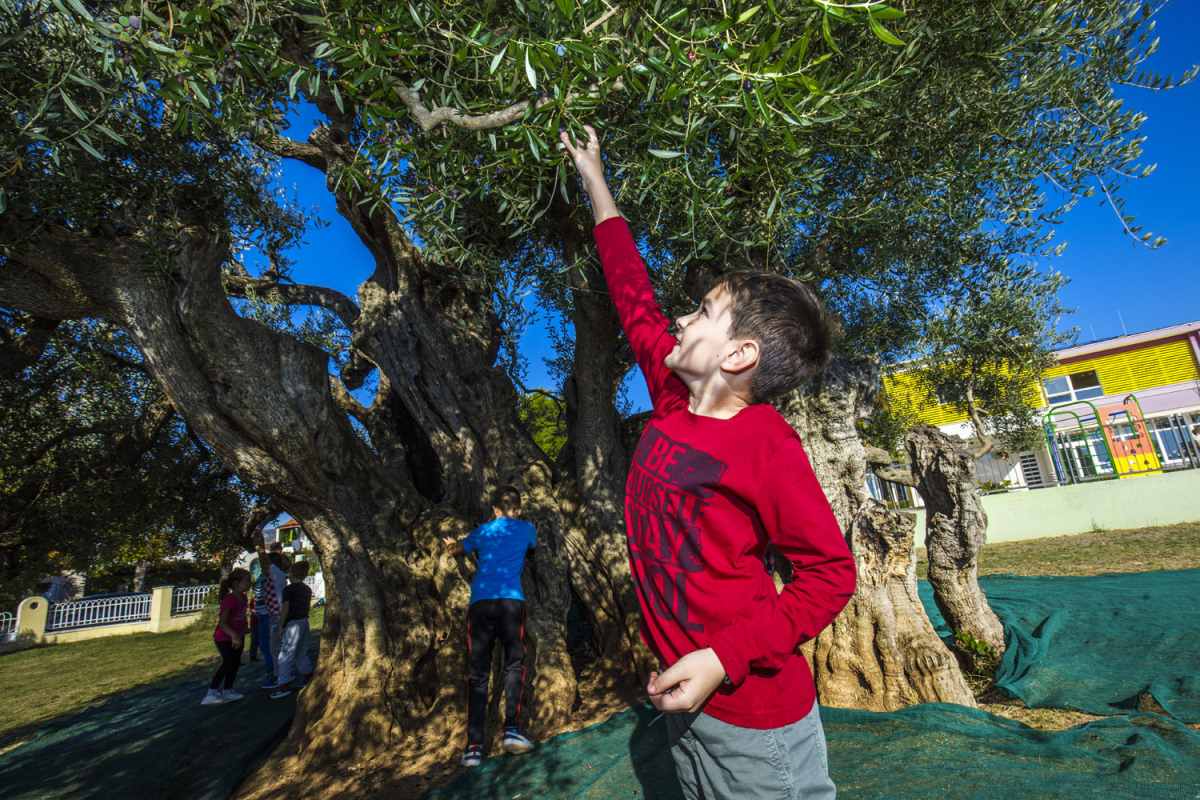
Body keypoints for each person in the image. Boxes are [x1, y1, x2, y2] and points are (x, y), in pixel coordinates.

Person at [561, 125, 857, 800]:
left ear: (738, 355)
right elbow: (631, 292)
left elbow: (830, 575)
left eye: (703, 312)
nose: (682, 319)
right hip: (686, 701)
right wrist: (594, 178)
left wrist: (723, 659)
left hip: (758, 721)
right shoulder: (672, 400)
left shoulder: (765, 444)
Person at [442, 485, 537, 768]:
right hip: (511, 603)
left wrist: (451, 544)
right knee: (514, 665)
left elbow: (456, 549)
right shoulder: (527, 528)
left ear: (494, 509)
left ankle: (473, 748)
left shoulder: (482, 531)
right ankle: (512, 731)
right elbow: (532, 547)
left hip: (480, 605)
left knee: (478, 674)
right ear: (518, 509)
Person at [202, 568, 251, 706]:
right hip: (224, 638)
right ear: (236, 583)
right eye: (247, 580)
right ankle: (211, 692)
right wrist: (233, 635)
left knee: (235, 663)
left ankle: (228, 690)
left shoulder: (243, 597)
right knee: (228, 662)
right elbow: (223, 623)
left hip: (238, 636)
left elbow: (242, 615)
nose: (249, 583)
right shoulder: (230, 599)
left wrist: (244, 628)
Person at [268, 560, 315, 699]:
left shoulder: (288, 590)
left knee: (285, 653)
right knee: (301, 651)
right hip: (304, 621)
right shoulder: (307, 589)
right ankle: (308, 675)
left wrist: (280, 626)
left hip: (293, 623)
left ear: (291, 573)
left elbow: (285, 609)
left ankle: (283, 684)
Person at [250, 547, 279, 680]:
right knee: (264, 644)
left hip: (267, 615)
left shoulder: (269, 577)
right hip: (261, 615)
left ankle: (272, 671)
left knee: (267, 645)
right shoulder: (261, 578)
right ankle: (272, 669)